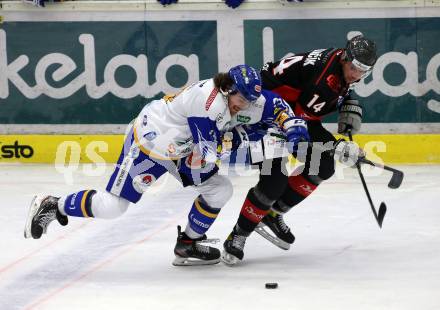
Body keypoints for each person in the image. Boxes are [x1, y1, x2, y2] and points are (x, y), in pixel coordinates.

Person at [24, 64, 309, 266]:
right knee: (113, 206)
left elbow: (277, 106)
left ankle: (187, 245)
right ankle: (53, 204)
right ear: (226, 88)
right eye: (239, 99)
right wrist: (268, 146)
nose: (244, 106)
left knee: (219, 190)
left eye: (249, 100)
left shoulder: (241, 98)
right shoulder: (208, 104)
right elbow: (209, 154)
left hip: (181, 148)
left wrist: (293, 126)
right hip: (151, 144)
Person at [222, 35, 378, 265]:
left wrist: (349, 102)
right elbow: (301, 124)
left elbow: (308, 111)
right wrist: (337, 145)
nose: (356, 74)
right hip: (260, 116)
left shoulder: (337, 61)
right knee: (274, 181)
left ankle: (272, 214)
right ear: (345, 58)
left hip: (288, 113)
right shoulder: (324, 81)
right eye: (354, 67)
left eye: (362, 71)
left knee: (323, 165)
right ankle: (238, 234)